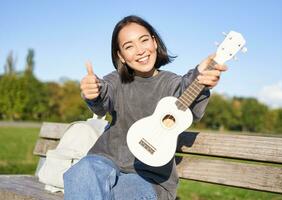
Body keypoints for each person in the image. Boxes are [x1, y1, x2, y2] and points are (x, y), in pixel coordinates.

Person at [63, 15, 227, 200]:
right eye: (129, 46)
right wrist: (93, 92)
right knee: (81, 173)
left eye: (144, 40)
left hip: (147, 176)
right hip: (106, 159)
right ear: (121, 56)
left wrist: (200, 77)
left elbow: (187, 94)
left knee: (126, 193)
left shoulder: (171, 83)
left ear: (154, 42)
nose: (140, 50)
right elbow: (102, 100)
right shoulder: (116, 80)